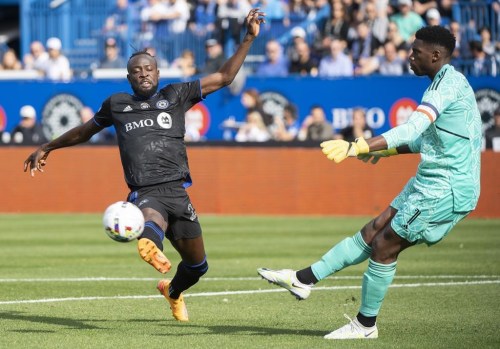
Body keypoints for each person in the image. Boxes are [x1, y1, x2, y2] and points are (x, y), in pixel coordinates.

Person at [24, 8, 266, 323]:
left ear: (157, 72)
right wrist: (48, 146)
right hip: (144, 191)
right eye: (137, 71)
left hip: (177, 190)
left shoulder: (177, 95)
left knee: (197, 266)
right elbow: (85, 131)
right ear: (129, 77)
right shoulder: (117, 104)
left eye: (148, 69)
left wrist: (248, 37)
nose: (143, 74)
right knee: (151, 223)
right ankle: (148, 242)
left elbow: (224, 77)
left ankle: (173, 291)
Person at [258, 26, 481, 339]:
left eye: (416, 52)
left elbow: (411, 129)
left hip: (447, 188)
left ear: (436, 55)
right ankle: (303, 279)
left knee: (384, 247)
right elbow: (424, 143)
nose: (410, 56)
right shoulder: (446, 83)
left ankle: (365, 326)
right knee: (373, 231)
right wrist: (384, 151)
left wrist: (359, 145)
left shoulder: (445, 86)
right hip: (430, 179)